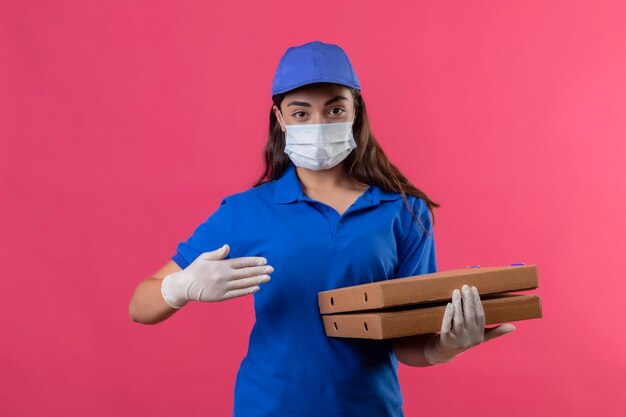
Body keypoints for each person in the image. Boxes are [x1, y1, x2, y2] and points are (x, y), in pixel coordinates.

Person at [129, 40, 516, 417]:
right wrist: (179, 288)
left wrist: (445, 345)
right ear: (280, 118)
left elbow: (406, 341)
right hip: (268, 408)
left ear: (356, 111)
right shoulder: (246, 211)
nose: (318, 123)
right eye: (301, 113)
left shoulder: (403, 211)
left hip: (370, 409)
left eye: (334, 110)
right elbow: (140, 307)